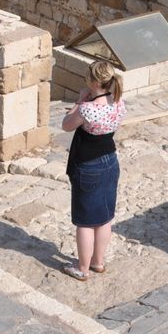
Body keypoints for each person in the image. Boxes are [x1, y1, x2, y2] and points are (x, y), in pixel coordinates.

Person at [60, 59, 126, 280]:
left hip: (89, 165)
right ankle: (98, 262)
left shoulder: (87, 109)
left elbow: (66, 125)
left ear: (94, 82)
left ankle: (82, 268)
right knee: (104, 218)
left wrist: (79, 101)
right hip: (110, 161)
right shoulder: (118, 102)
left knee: (86, 222)